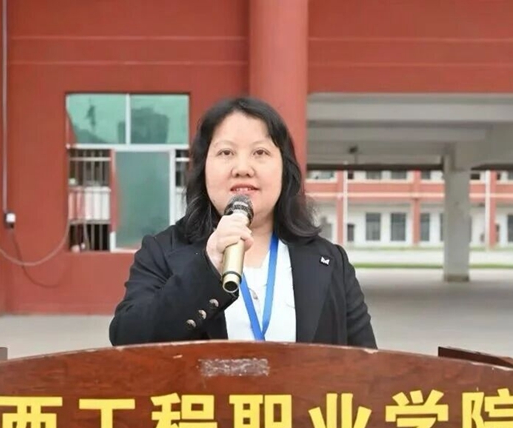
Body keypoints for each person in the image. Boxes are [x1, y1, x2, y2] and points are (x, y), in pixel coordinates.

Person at [108, 96, 377, 348]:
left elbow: (367, 366)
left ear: (285, 170)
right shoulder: (162, 252)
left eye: (260, 152)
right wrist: (207, 268)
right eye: (226, 153)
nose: (242, 168)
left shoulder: (330, 261)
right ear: (203, 169)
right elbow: (127, 340)